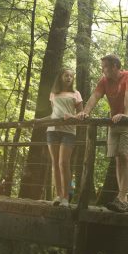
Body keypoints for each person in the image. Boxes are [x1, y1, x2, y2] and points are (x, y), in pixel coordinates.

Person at [75, 54, 128, 213]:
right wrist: (85, 112)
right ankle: (122, 199)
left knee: (126, 156)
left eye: (104, 66)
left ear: (114, 66)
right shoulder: (104, 81)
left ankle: (121, 197)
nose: (102, 69)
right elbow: (95, 96)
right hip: (114, 122)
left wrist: (125, 114)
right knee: (118, 158)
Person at [47, 68, 83, 206]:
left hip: (69, 131)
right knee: (55, 163)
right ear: (60, 77)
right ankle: (58, 196)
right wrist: (38, 120)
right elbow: (54, 113)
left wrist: (72, 116)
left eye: (71, 76)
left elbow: (82, 115)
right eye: (66, 75)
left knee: (63, 163)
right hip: (52, 130)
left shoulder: (76, 94)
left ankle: (66, 197)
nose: (69, 78)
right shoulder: (53, 94)